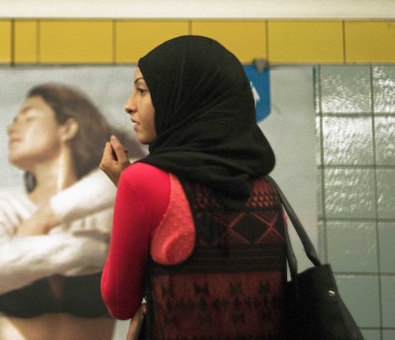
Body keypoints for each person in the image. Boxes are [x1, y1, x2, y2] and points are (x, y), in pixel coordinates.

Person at [99, 36, 287, 340]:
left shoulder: (141, 181)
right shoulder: (266, 188)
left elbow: (120, 302)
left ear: (183, 100)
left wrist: (126, 187)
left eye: (143, 90)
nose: (129, 105)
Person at [0, 83, 141, 340]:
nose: (12, 127)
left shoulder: (106, 209)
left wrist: (48, 215)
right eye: (14, 120)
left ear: (68, 128)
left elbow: (135, 171)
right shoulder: (0, 207)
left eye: (29, 117)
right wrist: (90, 251)